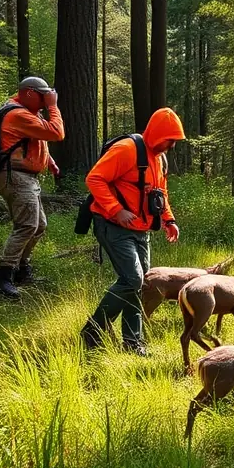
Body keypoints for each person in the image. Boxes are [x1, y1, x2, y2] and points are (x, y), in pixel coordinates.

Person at [80, 108, 186, 354]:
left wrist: (169, 220)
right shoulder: (126, 149)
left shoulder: (159, 158)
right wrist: (116, 210)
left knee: (139, 284)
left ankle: (132, 343)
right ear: (158, 134)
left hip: (141, 229)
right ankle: (93, 330)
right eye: (170, 140)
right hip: (113, 225)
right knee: (132, 279)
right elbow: (94, 178)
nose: (171, 146)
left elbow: (160, 193)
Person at [0, 76, 65, 298]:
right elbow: (56, 132)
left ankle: (21, 269)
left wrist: (48, 160)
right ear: (30, 93)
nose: (44, 102)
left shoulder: (26, 112)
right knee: (26, 226)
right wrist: (53, 106)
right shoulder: (17, 113)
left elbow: (35, 139)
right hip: (16, 178)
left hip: (25, 178)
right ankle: (1, 277)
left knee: (39, 225)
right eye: (42, 97)